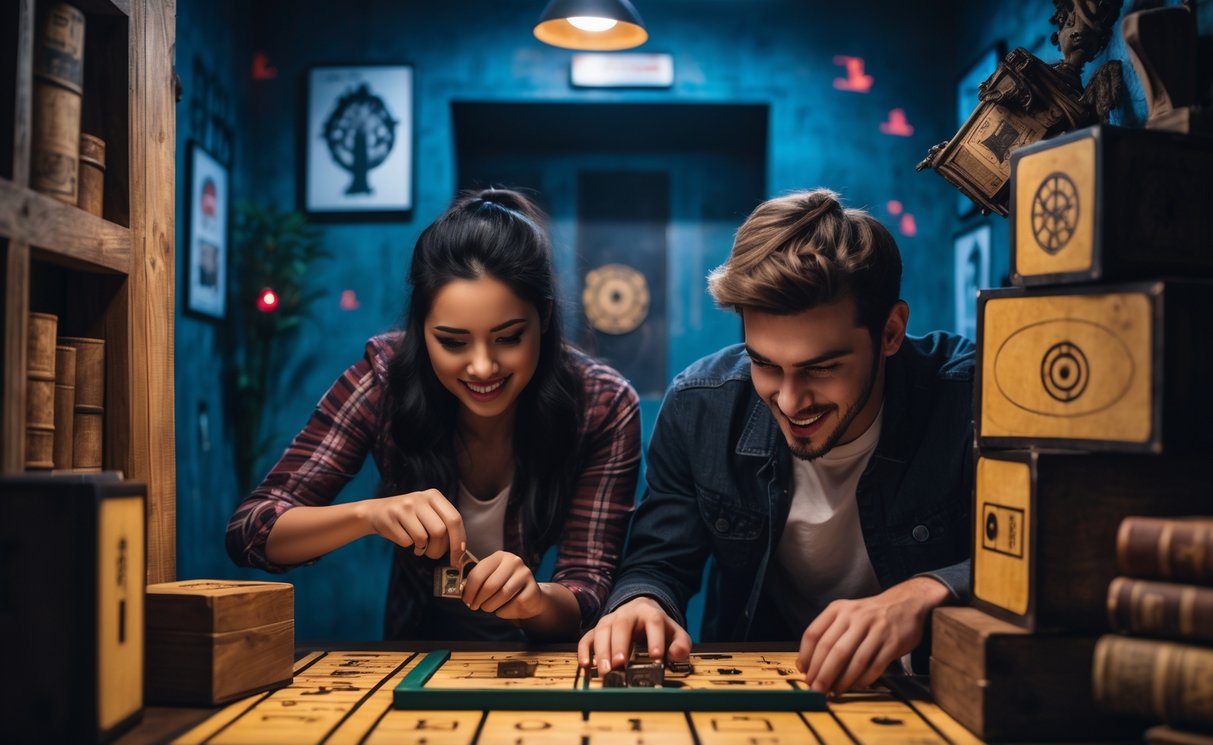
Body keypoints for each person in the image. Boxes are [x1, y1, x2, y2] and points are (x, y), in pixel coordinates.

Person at [578, 188, 975, 694]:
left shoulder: (972, 401)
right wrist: (641, 602)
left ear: (891, 332)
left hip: (939, 690)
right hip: (763, 696)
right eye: (764, 363)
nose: (790, 401)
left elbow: (1045, 558)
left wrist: (928, 593)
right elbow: (659, 561)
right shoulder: (700, 407)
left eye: (823, 367)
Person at [227, 189, 641, 641]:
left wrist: (535, 599)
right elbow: (251, 530)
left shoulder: (603, 403)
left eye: (507, 338)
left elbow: (588, 585)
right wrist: (370, 514)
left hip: (538, 656)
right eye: (453, 342)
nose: (482, 367)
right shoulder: (383, 378)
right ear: (421, 329)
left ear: (543, 317)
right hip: (415, 644)